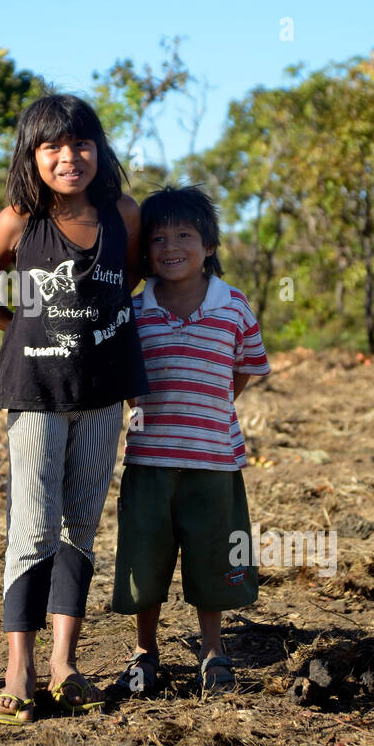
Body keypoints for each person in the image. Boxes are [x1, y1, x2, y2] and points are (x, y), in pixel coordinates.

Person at [0, 94, 149, 723]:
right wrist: (17, 327)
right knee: (33, 525)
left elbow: (128, 277)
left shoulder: (123, 214)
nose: (70, 157)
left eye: (81, 144)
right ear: (32, 156)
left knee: (81, 524)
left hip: (102, 395)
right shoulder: (21, 218)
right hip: (36, 393)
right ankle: (18, 669)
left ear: (99, 150)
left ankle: (65, 666)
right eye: (53, 147)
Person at [111, 184, 270, 695]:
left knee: (213, 556)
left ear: (209, 245)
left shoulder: (233, 305)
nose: (171, 247)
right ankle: (145, 650)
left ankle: (213, 649)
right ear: (144, 251)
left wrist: (211, 408)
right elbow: (124, 376)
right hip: (149, 460)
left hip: (214, 460)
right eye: (158, 238)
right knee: (144, 560)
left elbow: (244, 367)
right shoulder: (134, 309)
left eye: (185, 235)